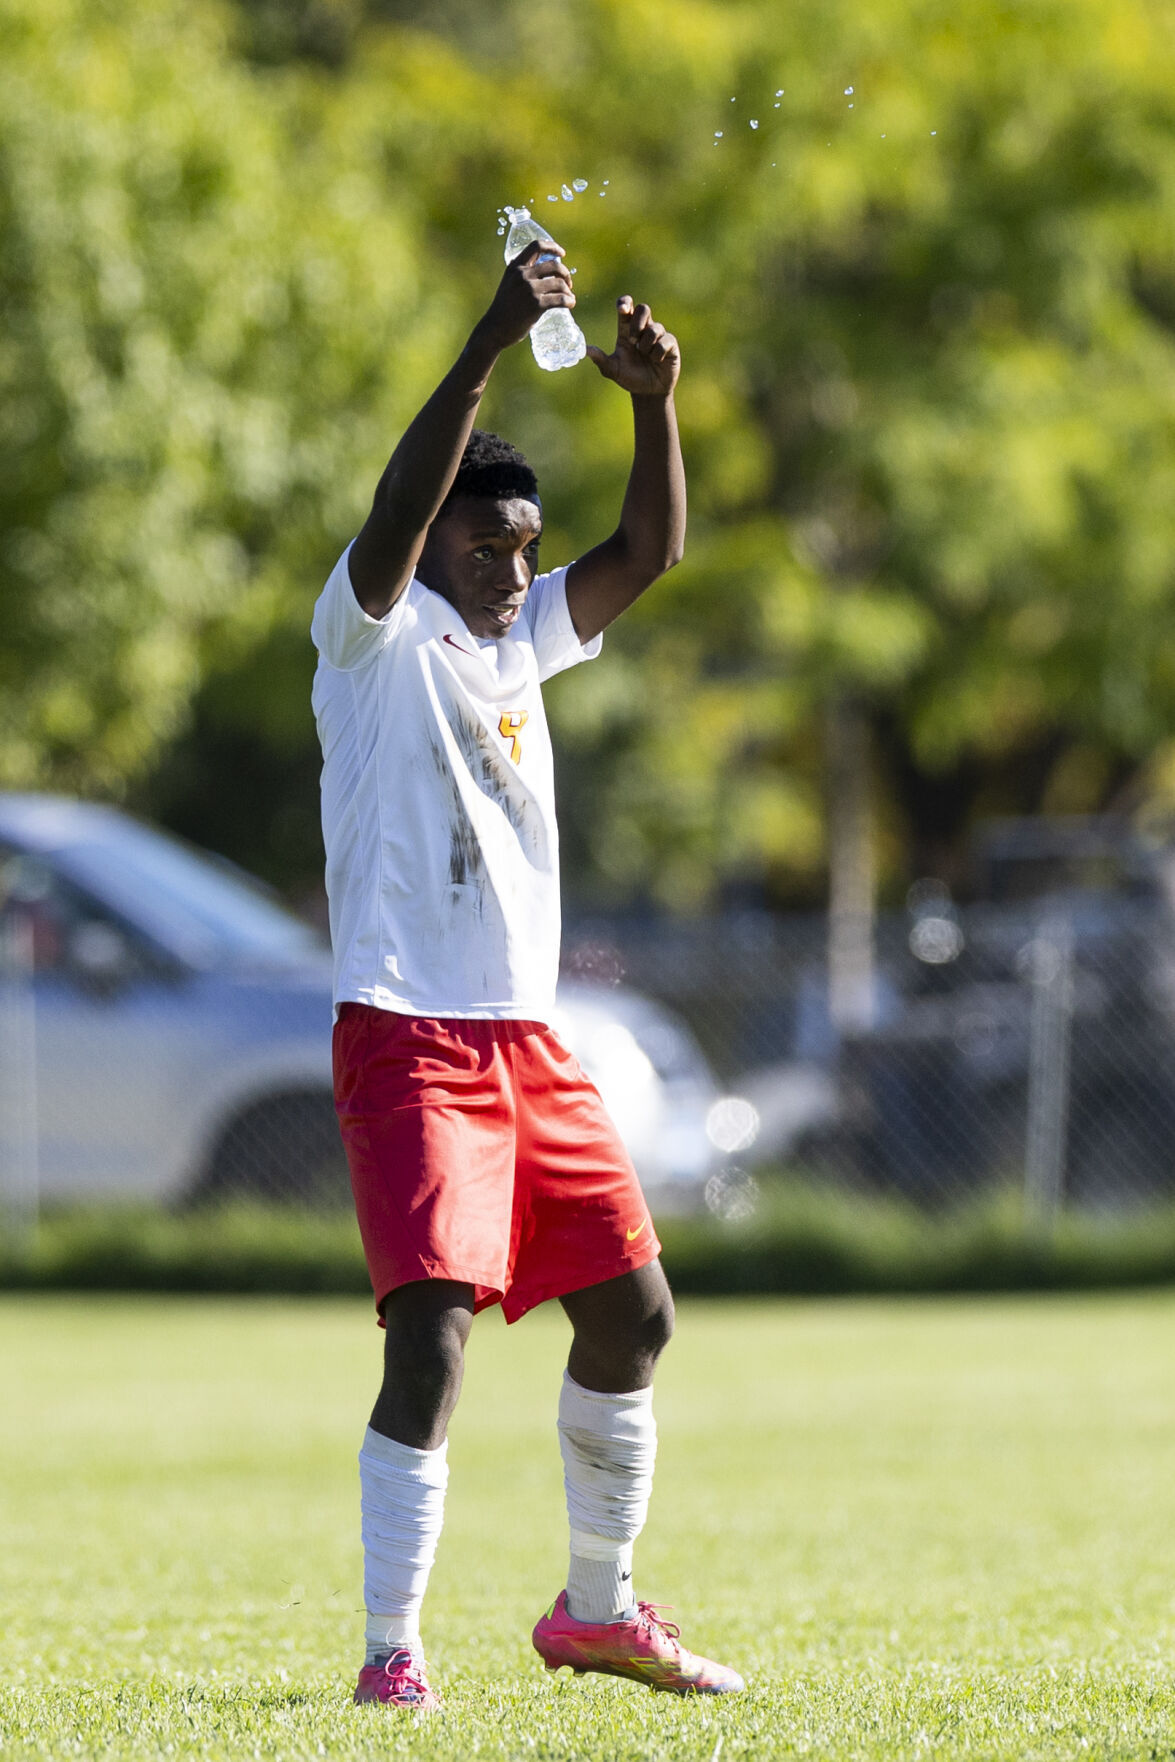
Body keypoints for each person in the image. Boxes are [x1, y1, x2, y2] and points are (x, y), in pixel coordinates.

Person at [310, 233, 744, 1710]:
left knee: (636, 1315)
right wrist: (493, 335)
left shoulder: (519, 641)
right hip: (409, 1035)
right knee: (431, 1328)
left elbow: (649, 557)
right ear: (433, 546)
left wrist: (654, 401)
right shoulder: (373, 637)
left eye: (521, 545)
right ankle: (390, 1658)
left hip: (526, 1046)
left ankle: (599, 1607)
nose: (512, 567)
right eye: (484, 544)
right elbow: (389, 509)